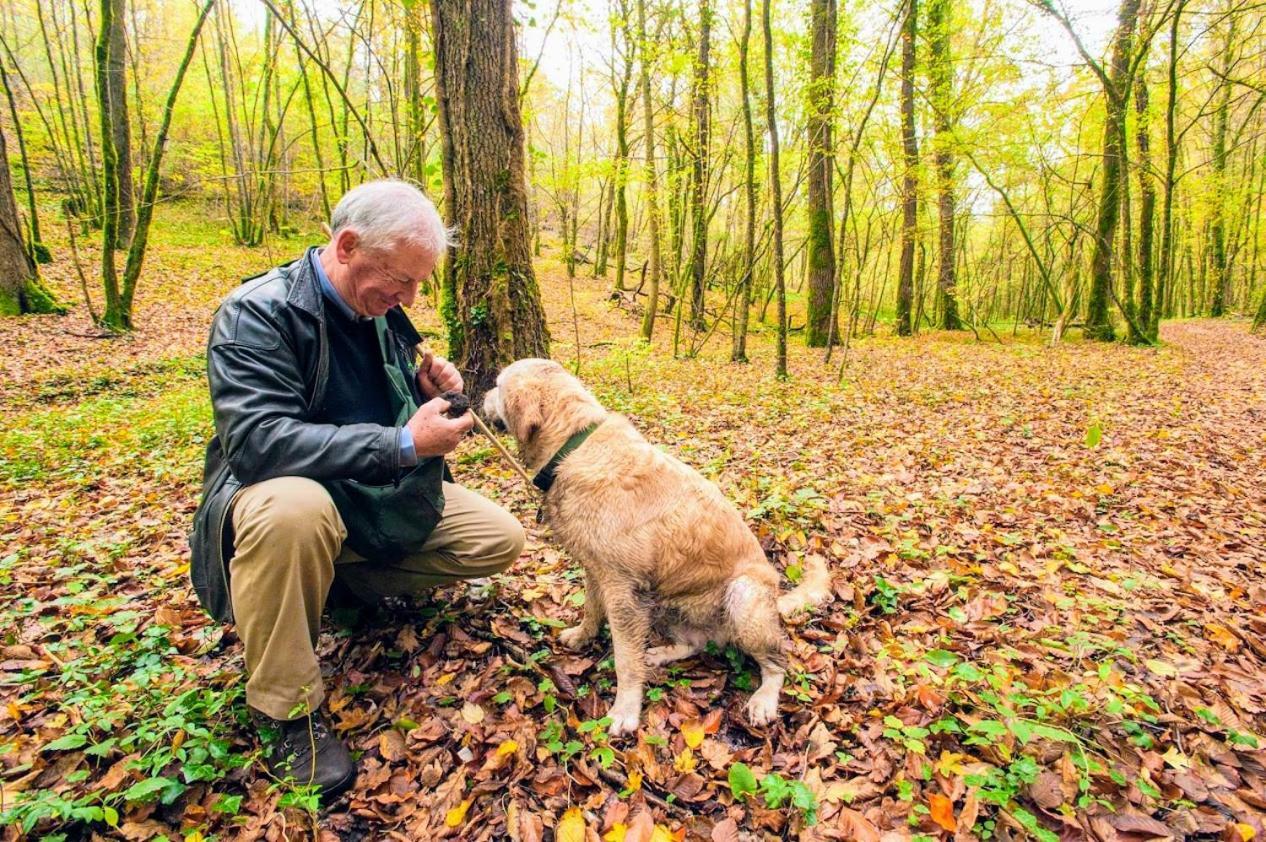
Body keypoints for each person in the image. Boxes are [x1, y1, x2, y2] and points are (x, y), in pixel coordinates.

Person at [189, 180, 525, 797]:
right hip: (282, 491)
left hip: (367, 492)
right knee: (295, 512)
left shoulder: (382, 312)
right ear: (346, 246)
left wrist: (426, 395)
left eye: (418, 283)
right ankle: (286, 711)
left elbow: (386, 403)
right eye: (400, 280)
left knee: (497, 539)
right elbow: (260, 443)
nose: (408, 296)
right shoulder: (256, 313)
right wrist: (404, 445)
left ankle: (325, 589)